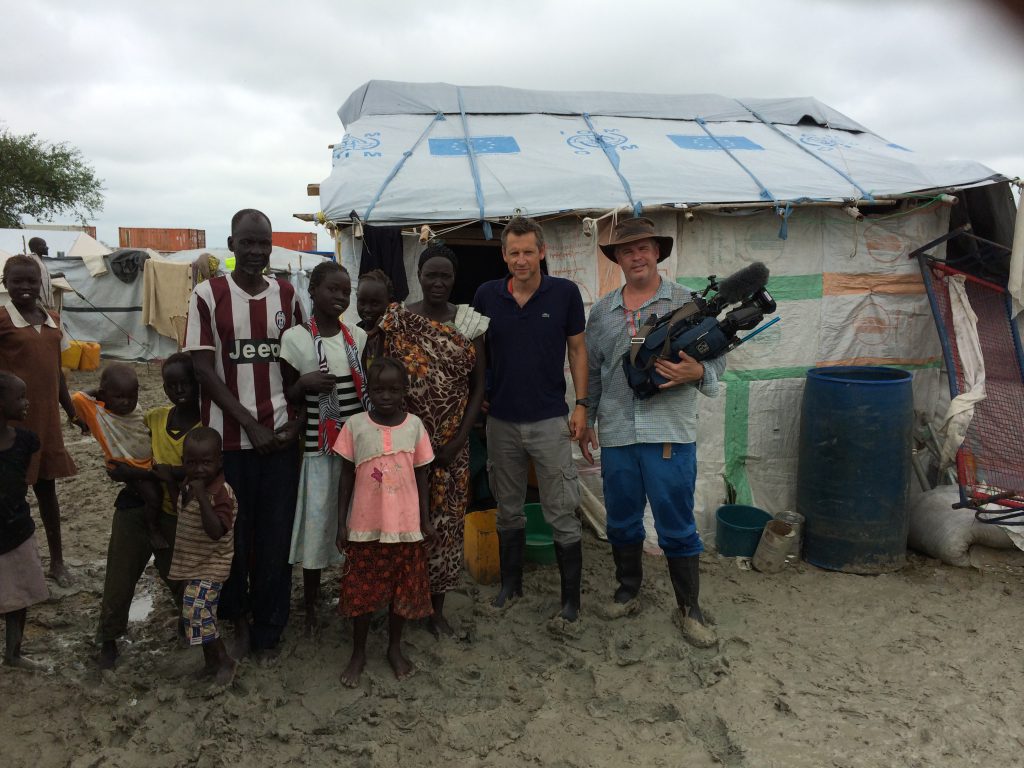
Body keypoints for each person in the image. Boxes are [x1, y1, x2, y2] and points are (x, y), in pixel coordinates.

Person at [579, 216, 725, 648]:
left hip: (669, 433)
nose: (637, 256)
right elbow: (596, 371)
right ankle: (628, 592)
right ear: (618, 259)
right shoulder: (602, 313)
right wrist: (586, 416)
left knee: (676, 523)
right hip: (619, 431)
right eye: (627, 250)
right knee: (622, 520)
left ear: (657, 252)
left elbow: (717, 361)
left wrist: (698, 371)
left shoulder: (687, 302)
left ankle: (689, 609)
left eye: (644, 248)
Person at [183, 209, 304, 658]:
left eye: (263, 243)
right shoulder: (207, 294)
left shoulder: (289, 294)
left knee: (274, 536)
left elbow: (299, 361)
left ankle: (270, 624)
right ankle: (236, 619)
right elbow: (202, 370)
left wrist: (293, 423)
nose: (255, 252)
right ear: (231, 245)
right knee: (233, 535)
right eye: (247, 243)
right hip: (227, 443)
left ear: (271, 246)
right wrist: (250, 424)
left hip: (277, 442)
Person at [471, 217, 588, 624]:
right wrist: (479, 395)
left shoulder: (565, 294)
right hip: (501, 421)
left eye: (528, 252)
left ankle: (570, 600)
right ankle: (511, 584)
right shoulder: (486, 295)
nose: (521, 260)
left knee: (561, 508)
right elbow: (475, 351)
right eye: (513, 253)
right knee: (508, 508)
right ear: (504, 255)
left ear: (542, 252)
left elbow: (577, 351)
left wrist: (582, 405)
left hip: (549, 419)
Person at [381, 243, 487, 636]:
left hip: (450, 447)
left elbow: (478, 388)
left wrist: (460, 440)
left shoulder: (470, 324)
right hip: (404, 446)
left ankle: (436, 609)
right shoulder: (400, 321)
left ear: (454, 279)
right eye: (431, 275)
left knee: (445, 527)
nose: (438, 282)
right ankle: (401, 603)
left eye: (445, 276)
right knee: (402, 524)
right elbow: (383, 377)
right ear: (419, 276)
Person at [334, 357, 435, 686]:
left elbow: (422, 477)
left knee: (401, 591)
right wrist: (341, 523)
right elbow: (345, 477)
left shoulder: (414, 427)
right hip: (365, 528)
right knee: (362, 591)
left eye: (394, 389)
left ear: (404, 390)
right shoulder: (355, 426)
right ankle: (358, 652)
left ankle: (394, 647)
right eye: (379, 390)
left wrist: (425, 519)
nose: (386, 396)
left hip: (405, 528)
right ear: (368, 391)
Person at [279, 261, 367, 636]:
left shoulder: (357, 338)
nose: (340, 297)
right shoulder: (295, 339)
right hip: (318, 450)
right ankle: (312, 606)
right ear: (312, 290)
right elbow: (284, 395)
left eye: (345, 291)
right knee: (317, 528)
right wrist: (303, 384)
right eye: (332, 289)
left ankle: (351, 596)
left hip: (355, 452)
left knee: (353, 526)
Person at [97, 353, 200, 669]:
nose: (178, 390)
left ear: (198, 385)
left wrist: (139, 474)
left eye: (185, 384)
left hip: (175, 515)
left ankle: (188, 625)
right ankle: (108, 639)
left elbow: (196, 471)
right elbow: (120, 430)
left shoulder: (204, 428)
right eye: (171, 385)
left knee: (180, 578)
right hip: (134, 506)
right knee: (119, 579)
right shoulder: (154, 418)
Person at [0, 256, 80, 586]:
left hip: (46, 422)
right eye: (16, 281)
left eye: (31, 281)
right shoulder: (3, 320)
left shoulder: (52, 319)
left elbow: (56, 373)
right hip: (12, 426)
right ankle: (16, 567)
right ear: (5, 283)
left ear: (41, 284)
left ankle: (57, 562)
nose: (25, 287)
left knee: (48, 492)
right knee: (10, 497)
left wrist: (72, 411)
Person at [72, 364, 169, 550]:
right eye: (119, 397)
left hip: (149, 461)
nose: (126, 402)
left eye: (132, 396)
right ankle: (153, 530)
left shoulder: (135, 410)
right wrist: (98, 394)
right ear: (103, 394)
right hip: (127, 464)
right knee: (154, 497)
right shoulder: (99, 413)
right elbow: (77, 397)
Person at [168, 427, 238, 686]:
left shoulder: (221, 493)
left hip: (211, 564)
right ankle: (211, 662)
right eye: (191, 462)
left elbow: (215, 531)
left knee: (199, 613)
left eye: (206, 463)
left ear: (219, 462)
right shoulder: (191, 484)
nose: (198, 469)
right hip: (191, 562)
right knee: (196, 614)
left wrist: (201, 497)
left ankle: (225, 661)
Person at [0, 372, 50, 669]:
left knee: (19, 596)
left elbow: (21, 481)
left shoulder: (26, 441)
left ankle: (14, 653)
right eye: (19, 397)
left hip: (17, 529)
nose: (26, 403)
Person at [26, 238, 54, 309]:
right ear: (39, 248)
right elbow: (28, 278)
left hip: (45, 302)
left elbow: (43, 277)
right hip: (36, 301)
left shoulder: (41, 261)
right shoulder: (30, 259)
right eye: (45, 245)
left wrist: (58, 275)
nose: (47, 247)